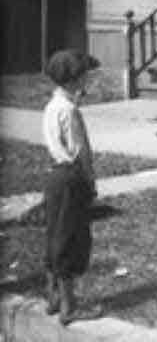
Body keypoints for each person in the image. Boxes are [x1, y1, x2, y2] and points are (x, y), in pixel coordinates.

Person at [41, 49, 101, 324]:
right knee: (73, 237)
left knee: (56, 233)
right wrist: (91, 182)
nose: (86, 81)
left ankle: (52, 295)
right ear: (74, 79)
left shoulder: (52, 106)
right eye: (83, 76)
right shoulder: (69, 110)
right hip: (71, 176)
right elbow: (81, 151)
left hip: (54, 175)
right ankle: (69, 305)